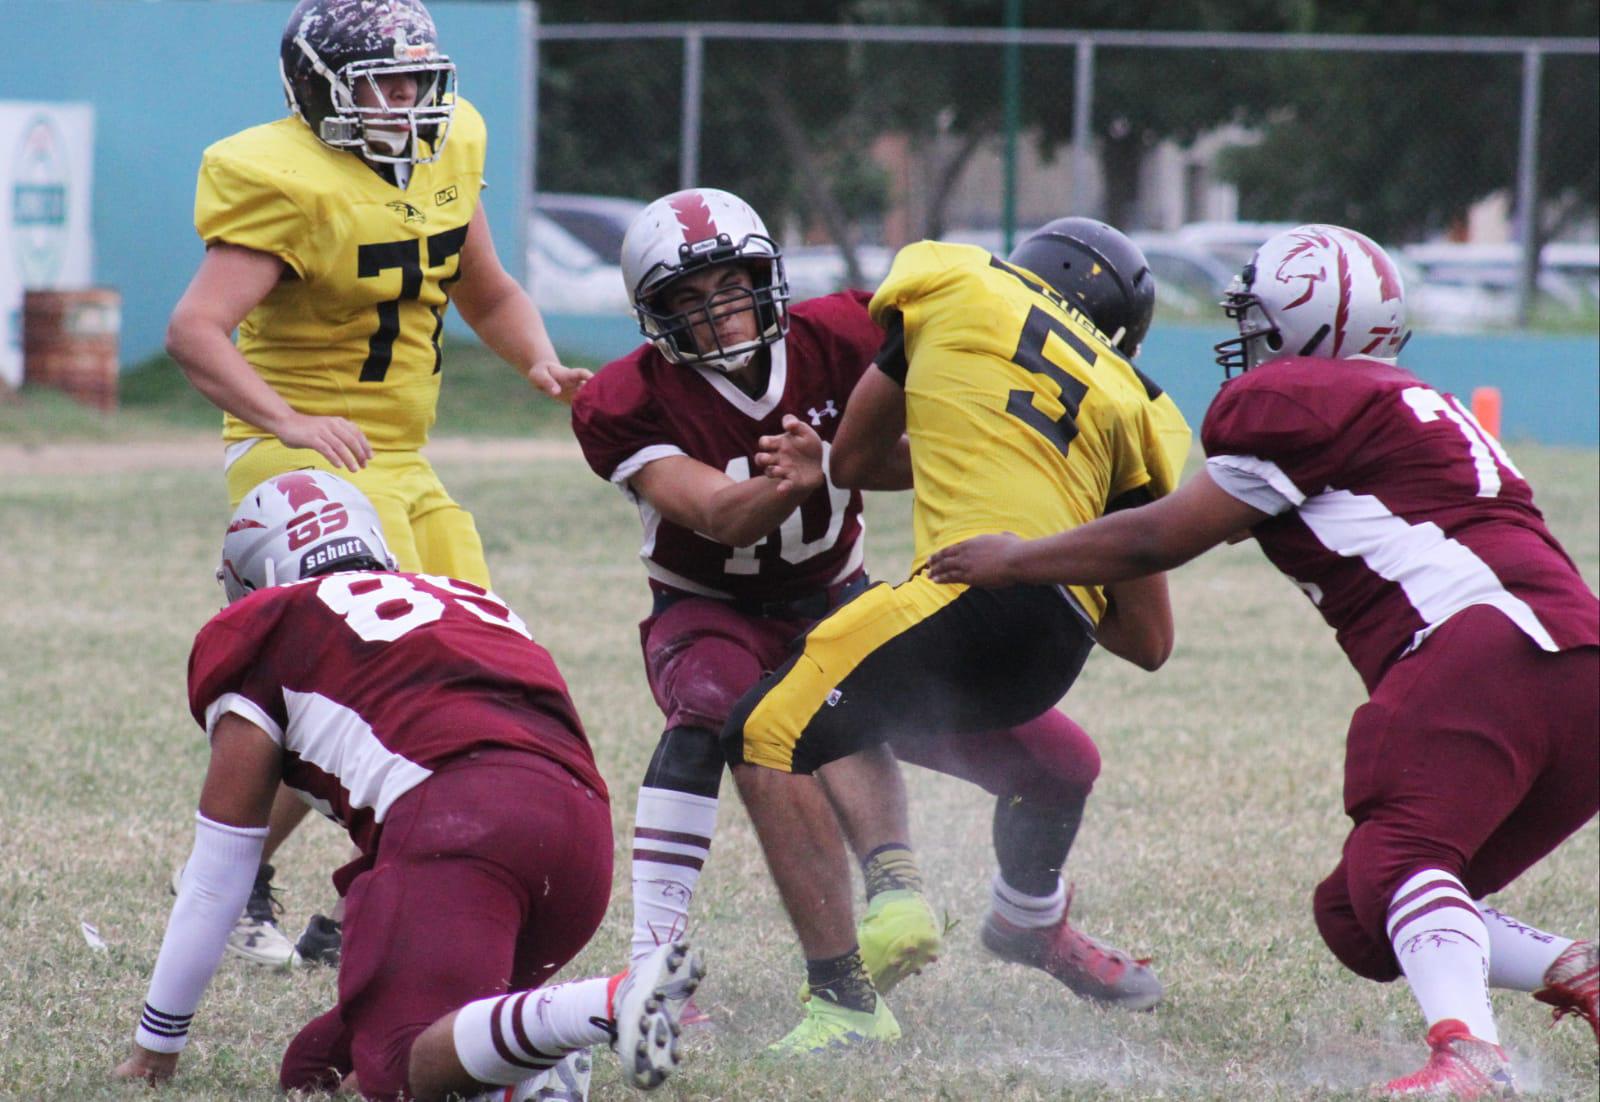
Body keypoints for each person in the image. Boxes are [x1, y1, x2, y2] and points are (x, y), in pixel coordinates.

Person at [928, 223, 1599, 1098]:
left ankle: (1471, 1055)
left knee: (1398, 861)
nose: (1244, 338)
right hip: (1578, 667)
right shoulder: (1414, 406)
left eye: (1257, 317)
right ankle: (1578, 968)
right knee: (1360, 914)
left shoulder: (1296, 399)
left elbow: (1161, 536)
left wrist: (1015, 557)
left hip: (1477, 645)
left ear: (1303, 327)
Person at [570, 195, 1167, 1041]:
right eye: (691, 299)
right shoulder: (625, 397)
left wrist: (858, 464)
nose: (720, 313)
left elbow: (933, 449)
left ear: (768, 280)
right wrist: (796, 479)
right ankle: (653, 965)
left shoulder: (843, 335)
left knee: (1060, 763)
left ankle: (1031, 917)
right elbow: (715, 514)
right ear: (654, 315)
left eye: (734, 287)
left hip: (841, 599)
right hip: (713, 613)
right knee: (715, 712)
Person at [162, 0, 590, 967]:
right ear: (320, 91)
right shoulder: (278, 175)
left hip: (401, 456)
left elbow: (485, 284)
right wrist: (286, 419)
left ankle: (273, 884)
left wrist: (539, 363)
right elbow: (194, 330)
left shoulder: (449, 146)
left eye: (419, 82)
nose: (410, 104)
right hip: (300, 454)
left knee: (474, 671)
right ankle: (295, 884)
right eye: (385, 87)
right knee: (376, 677)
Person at [723, 218, 1193, 1052]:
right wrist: (1045, 531)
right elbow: (1149, 640)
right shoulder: (1130, 401)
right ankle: (1000, 915)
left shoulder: (958, 282)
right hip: (1054, 649)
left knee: (763, 732)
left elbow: (856, 458)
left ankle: (844, 1000)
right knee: (861, 712)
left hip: (964, 597)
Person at [112, 470, 702, 1101]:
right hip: (580, 838)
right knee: (316, 1073)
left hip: (465, 828)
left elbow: (219, 874)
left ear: (254, 579)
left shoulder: (268, 624)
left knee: (395, 1065)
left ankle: (601, 1006)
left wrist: (155, 1053)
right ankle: (524, 1067)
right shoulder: (468, 599)